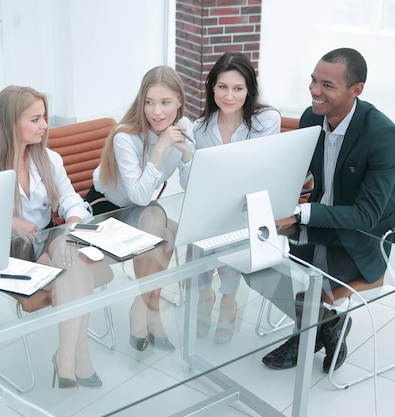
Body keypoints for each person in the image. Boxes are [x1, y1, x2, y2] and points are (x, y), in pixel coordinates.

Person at [0, 85, 103, 389]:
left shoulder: (48, 158)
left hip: (40, 244)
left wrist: (70, 230)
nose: (45, 126)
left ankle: (68, 357)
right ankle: (78, 356)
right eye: (35, 119)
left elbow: (72, 201)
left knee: (73, 263)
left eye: (44, 117)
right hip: (0, 252)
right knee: (79, 276)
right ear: (12, 123)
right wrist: (10, 221)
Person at [262, 48, 395, 371]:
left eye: (327, 84)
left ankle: (305, 335)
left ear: (356, 90)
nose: (314, 90)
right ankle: (331, 325)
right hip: (318, 222)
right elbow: (296, 174)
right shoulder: (311, 118)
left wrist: (301, 214)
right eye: (312, 80)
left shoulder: (382, 135)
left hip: (364, 236)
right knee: (265, 265)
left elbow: (366, 216)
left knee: (308, 280)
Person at [85, 66, 194, 352]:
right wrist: (159, 151)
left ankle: (143, 305)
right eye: (149, 102)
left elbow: (192, 184)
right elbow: (141, 195)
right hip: (106, 210)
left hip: (141, 210)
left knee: (169, 234)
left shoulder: (185, 127)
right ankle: (149, 311)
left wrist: (186, 154)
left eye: (165, 102)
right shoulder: (126, 136)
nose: (156, 112)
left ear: (180, 101)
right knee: (161, 230)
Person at [191, 52, 281, 344]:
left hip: (250, 207)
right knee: (202, 225)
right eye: (222, 87)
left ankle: (227, 299)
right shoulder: (200, 128)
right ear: (212, 88)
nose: (229, 95)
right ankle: (205, 290)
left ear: (249, 91)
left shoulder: (266, 120)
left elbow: (256, 174)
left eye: (238, 88)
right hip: (213, 205)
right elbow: (193, 183)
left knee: (229, 227)